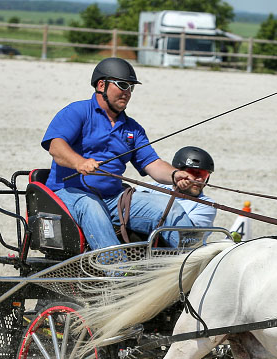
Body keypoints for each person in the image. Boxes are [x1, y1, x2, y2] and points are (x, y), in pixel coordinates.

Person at [41, 57, 199, 251]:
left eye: (131, 87)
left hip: (114, 198)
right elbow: (56, 147)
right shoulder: (77, 111)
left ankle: (197, 262)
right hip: (69, 195)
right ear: (101, 85)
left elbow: (153, 164)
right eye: (122, 85)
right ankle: (118, 271)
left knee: (168, 207)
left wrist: (175, 175)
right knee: (92, 207)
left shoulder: (133, 128)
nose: (127, 92)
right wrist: (79, 162)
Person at [129, 146, 218, 246]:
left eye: (204, 175)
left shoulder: (207, 205)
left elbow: (186, 238)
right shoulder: (152, 188)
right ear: (178, 171)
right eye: (195, 173)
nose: (200, 180)